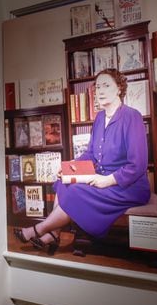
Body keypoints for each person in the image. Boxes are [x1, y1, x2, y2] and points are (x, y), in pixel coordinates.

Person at [14, 68, 150, 253]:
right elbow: (91, 154)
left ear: (119, 88)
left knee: (75, 191)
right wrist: (71, 168)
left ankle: (40, 229)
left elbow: (138, 164)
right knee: (63, 181)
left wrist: (107, 180)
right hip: (102, 179)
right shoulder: (100, 118)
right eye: (98, 87)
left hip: (128, 187)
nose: (100, 91)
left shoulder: (132, 116)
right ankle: (54, 234)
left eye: (106, 85)